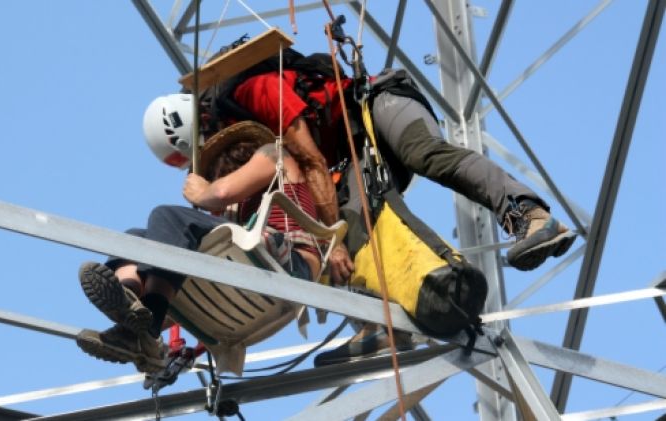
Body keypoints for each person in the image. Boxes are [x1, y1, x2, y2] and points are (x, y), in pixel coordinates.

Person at [193, 51, 578, 364]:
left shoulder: (253, 91)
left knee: (425, 156)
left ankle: (529, 216)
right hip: (357, 150)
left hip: (379, 104)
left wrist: (332, 239)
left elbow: (311, 162)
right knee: (349, 224)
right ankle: (379, 325)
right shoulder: (259, 124)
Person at [76, 106, 325, 372]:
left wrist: (203, 193)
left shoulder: (273, 155)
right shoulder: (238, 215)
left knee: (166, 216)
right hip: (255, 271)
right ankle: (131, 309)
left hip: (291, 266)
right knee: (135, 239)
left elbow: (222, 191)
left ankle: (144, 320)